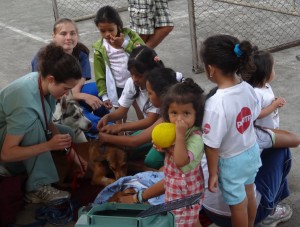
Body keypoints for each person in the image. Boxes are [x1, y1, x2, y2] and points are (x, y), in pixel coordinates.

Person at [0, 43, 82, 203]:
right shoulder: (24, 101)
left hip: (14, 133)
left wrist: (72, 155)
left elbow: (47, 121)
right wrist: (49, 146)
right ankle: (38, 187)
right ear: (52, 79)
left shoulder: (42, 83)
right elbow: (7, 153)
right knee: (34, 127)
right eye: (66, 88)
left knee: (67, 134)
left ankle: (37, 169)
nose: (67, 94)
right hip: (5, 150)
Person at [200, 34, 262, 227]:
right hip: (251, 150)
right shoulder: (247, 88)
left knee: (237, 205)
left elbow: (211, 145)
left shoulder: (215, 103)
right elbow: (254, 113)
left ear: (211, 69)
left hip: (231, 161)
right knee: (249, 192)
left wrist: (212, 173)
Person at [31, 18, 108, 135]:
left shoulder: (81, 53)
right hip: (56, 101)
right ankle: (105, 128)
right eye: (63, 34)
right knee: (86, 121)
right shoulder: (41, 59)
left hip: (72, 95)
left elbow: (76, 88)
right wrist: (84, 97)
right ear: (53, 36)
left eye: (73, 33)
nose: (69, 38)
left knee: (101, 89)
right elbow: (52, 94)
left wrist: (82, 97)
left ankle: (105, 118)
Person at [97, 67, 181, 169]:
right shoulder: (167, 108)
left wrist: (106, 137)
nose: (148, 97)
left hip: (180, 147)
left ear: (162, 95)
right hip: (158, 135)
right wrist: (113, 123)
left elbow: (135, 141)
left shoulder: (170, 115)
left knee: (151, 161)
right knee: (127, 148)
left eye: (150, 93)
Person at [97, 45, 164, 135]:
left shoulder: (157, 87)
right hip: (151, 130)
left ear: (152, 72)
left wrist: (120, 127)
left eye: (139, 75)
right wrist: (108, 117)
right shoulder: (131, 82)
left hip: (159, 130)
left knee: (129, 144)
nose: (134, 79)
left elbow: (150, 120)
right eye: (132, 74)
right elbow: (122, 111)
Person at [93, 5, 145, 112]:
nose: (107, 34)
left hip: (136, 82)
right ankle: (121, 129)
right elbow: (99, 74)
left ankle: (144, 128)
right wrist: (104, 95)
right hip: (117, 87)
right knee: (120, 114)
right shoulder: (100, 48)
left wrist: (125, 44)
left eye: (111, 30)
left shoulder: (130, 36)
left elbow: (144, 53)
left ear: (119, 25)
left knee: (141, 109)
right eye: (102, 31)